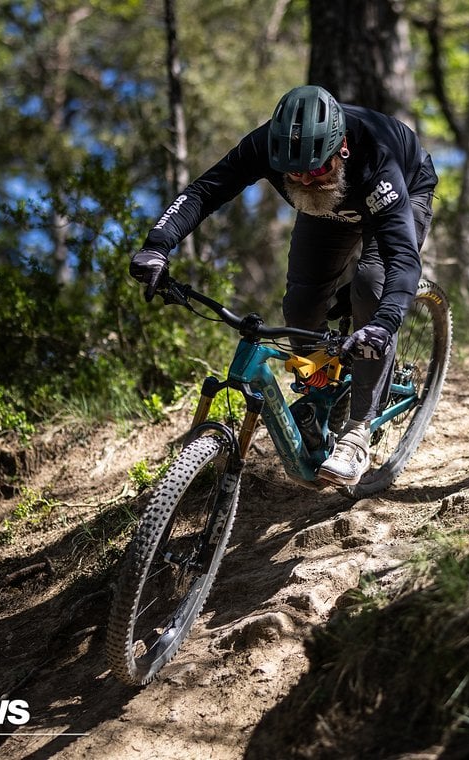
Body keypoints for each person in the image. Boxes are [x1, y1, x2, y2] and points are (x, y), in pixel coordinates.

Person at [130, 85, 438, 487]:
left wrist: (385, 321)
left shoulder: (375, 157)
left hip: (400, 195)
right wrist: (157, 245)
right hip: (329, 209)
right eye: (294, 174)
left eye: (316, 170)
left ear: (341, 148)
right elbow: (206, 190)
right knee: (300, 306)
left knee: (371, 285)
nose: (306, 181)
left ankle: (358, 430)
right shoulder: (269, 147)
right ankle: (322, 390)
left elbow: (402, 257)